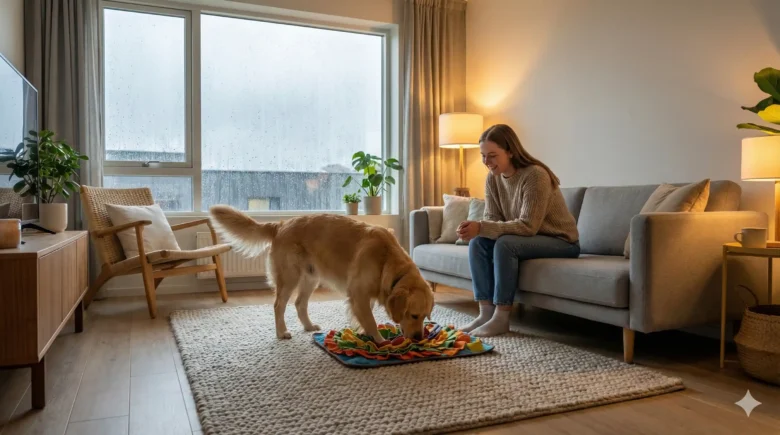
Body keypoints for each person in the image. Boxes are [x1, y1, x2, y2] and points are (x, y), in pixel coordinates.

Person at [456, 124, 580, 337]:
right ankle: (486, 313)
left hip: (561, 241)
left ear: (511, 151)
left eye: (493, 156)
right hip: (528, 238)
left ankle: (501, 317)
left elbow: (527, 226)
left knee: (505, 244)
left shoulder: (535, 175)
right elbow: (492, 219)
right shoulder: (492, 178)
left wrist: (482, 227)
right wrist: (477, 229)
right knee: (478, 242)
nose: (487, 162)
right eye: (483, 156)